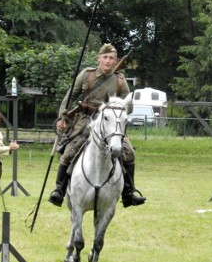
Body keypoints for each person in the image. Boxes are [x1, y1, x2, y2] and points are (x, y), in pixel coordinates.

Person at [48, 43, 147, 208]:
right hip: (85, 120)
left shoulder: (120, 81)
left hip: (109, 124)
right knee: (69, 152)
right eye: (105, 57)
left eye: (112, 58)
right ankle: (59, 190)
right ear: (99, 59)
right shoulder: (87, 75)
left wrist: (120, 106)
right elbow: (69, 96)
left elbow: (129, 106)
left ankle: (129, 193)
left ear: (116, 61)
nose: (108, 61)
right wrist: (62, 117)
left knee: (129, 153)